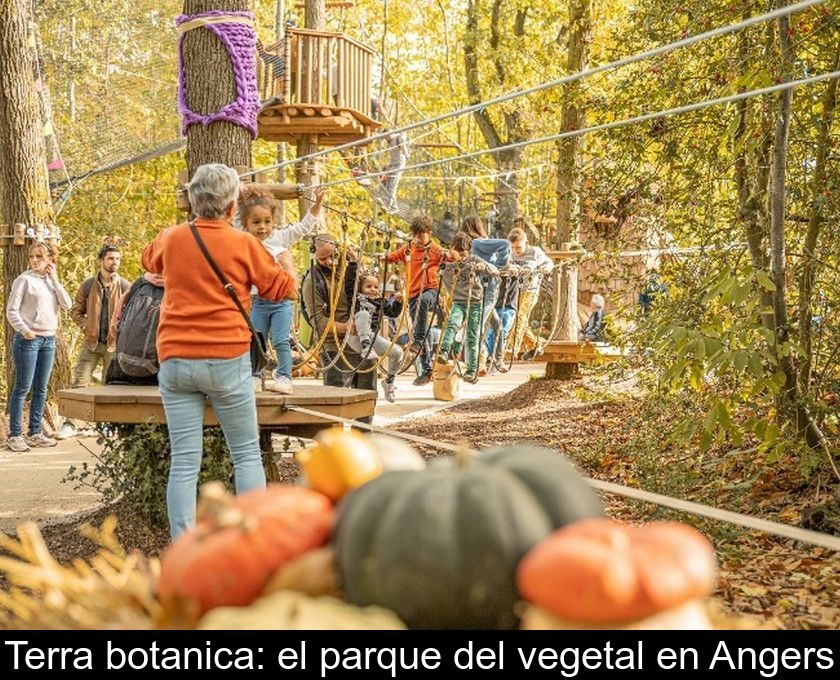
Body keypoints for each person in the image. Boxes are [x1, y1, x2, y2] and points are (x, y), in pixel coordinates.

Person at [141, 163, 296, 538]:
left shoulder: (172, 237)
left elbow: (148, 260)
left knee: (183, 462)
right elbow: (281, 290)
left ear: (194, 201)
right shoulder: (245, 244)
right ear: (231, 208)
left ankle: (183, 545)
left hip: (176, 359)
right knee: (245, 454)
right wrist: (284, 264)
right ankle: (251, 541)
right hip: (226, 358)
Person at [239, 184, 324, 394]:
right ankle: (256, 376)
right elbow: (229, 221)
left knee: (280, 341)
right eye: (256, 222)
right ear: (246, 224)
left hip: (281, 303)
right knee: (257, 339)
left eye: (267, 222)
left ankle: (284, 376)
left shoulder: (279, 238)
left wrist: (318, 203)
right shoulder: (243, 240)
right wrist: (236, 193)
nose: (262, 227)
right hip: (258, 302)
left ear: (273, 222)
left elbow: (304, 227)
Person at [56, 243, 130, 439]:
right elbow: (75, 311)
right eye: (111, 258)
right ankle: (70, 424)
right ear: (101, 261)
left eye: (118, 259)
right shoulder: (88, 285)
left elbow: (132, 314)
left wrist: (121, 331)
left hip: (113, 345)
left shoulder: (125, 286)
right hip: (91, 344)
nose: (115, 262)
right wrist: (86, 326)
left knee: (109, 387)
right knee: (79, 383)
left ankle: (107, 426)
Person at [5, 243, 72, 452]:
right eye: (32, 257)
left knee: (41, 389)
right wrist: (25, 330)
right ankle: (15, 435)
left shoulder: (51, 282)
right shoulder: (23, 280)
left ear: (49, 259)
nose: (35, 260)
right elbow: (11, 311)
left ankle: (35, 432)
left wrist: (54, 280)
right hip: (29, 340)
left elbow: (68, 305)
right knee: (23, 388)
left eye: (40, 257)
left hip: (48, 341)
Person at [301, 234, 378, 397]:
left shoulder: (350, 269)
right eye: (322, 259)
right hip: (335, 349)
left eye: (332, 255)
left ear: (338, 249)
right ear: (314, 255)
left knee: (366, 399)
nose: (329, 261)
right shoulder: (312, 282)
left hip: (364, 345)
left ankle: (363, 424)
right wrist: (348, 328)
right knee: (336, 400)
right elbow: (318, 322)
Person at [385, 215, 456, 386]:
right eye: (415, 235)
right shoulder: (408, 248)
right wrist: (383, 256)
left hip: (430, 291)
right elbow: (393, 257)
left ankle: (417, 340)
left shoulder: (434, 249)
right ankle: (426, 370)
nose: (418, 239)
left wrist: (449, 253)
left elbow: (454, 257)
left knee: (423, 307)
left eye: (421, 235)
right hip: (412, 295)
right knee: (421, 329)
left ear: (429, 234)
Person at [438, 233, 499, 383]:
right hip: (458, 302)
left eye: (463, 251)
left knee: (472, 335)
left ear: (469, 251)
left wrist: (483, 267)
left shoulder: (474, 260)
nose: (460, 255)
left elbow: (495, 271)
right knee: (452, 323)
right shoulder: (448, 263)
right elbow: (437, 271)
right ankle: (444, 351)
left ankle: (472, 370)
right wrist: (443, 262)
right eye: (456, 251)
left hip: (475, 303)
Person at [344, 267, 404, 403]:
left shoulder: (381, 302)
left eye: (376, 286)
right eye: (368, 286)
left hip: (371, 337)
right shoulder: (355, 298)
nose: (373, 289)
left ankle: (389, 382)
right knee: (364, 314)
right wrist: (354, 262)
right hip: (355, 337)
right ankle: (365, 347)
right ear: (360, 288)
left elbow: (393, 313)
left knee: (397, 352)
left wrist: (399, 302)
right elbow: (349, 282)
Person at [509, 227, 554, 360]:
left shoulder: (535, 252)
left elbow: (550, 262)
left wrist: (546, 268)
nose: (516, 251)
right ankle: (534, 346)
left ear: (526, 243)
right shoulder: (510, 253)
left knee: (519, 316)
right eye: (513, 247)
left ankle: (512, 349)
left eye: (518, 247)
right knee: (514, 318)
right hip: (515, 290)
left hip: (530, 290)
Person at [485, 264, 521, 373]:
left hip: (507, 307)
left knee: (501, 331)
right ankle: (492, 359)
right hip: (492, 306)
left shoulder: (512, 270)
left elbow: (523, 267)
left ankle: (495, 359)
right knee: (490, 333)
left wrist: (516, 268)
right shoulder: (490, 269)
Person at [375, 129, 409, 213]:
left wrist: (403, 141)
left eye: (386, 137)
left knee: (391, 187)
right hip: (392, 166)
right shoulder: (389, 142)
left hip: (399, 166)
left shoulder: (398, 138)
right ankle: (393, 207)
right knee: (383, 183)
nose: (386, 139)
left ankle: (388, 207)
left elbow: (405, 152)